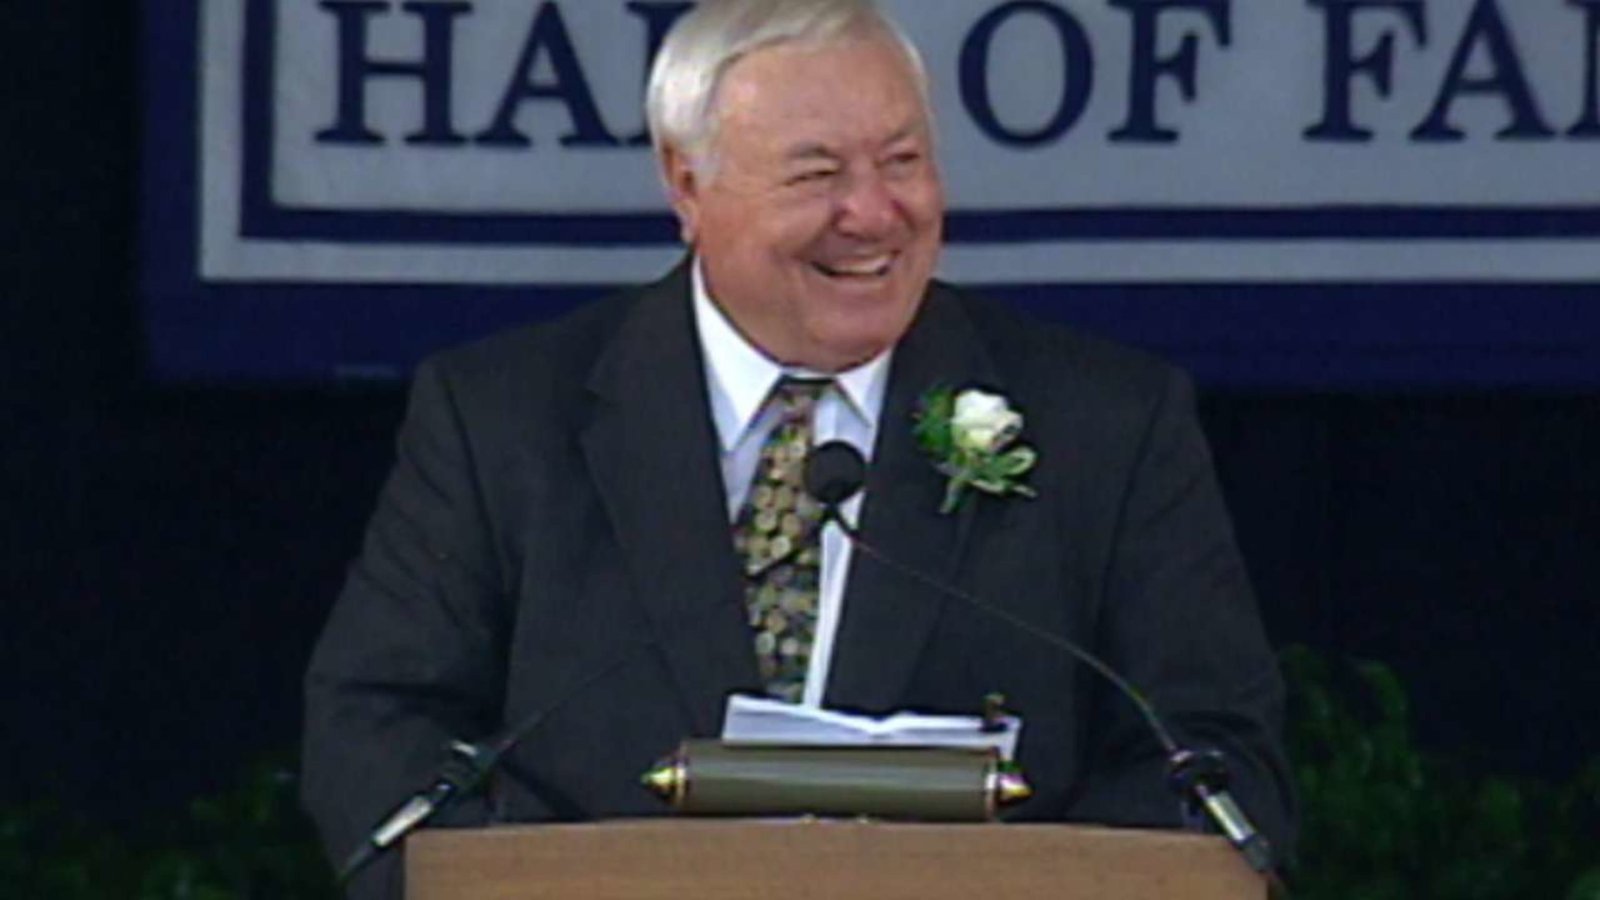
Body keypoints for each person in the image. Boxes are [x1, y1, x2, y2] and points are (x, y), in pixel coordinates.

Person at [302, 1, 1295, 896]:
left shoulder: (1105, 425)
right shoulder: (503, 419)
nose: (873, 213)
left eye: (902, 162)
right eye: (817, 173)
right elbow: (379, 731)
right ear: (686, 184)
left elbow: (1211, 761)